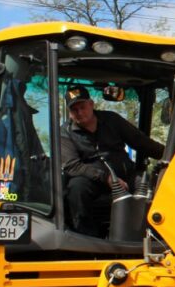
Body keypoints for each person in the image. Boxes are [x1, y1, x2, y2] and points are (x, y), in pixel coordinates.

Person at [60, 86, 165, 236]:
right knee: (76, 189)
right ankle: (87, 238)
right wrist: (105, 178)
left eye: (82, 107)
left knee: (154, 186)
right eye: (74, 110)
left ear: (91, 104)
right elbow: (72, 166)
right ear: (70, 113)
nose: (80, 113)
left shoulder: (112, 120)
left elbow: (141, 142)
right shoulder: (65, 133)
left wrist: (171, 154)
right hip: (92, 181)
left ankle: (153, 234)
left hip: (125, 175)